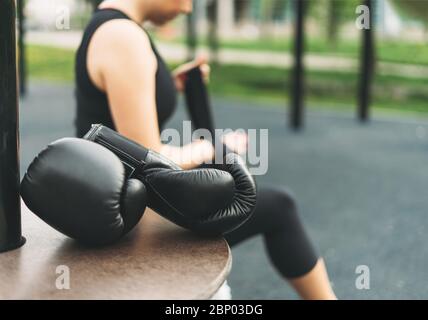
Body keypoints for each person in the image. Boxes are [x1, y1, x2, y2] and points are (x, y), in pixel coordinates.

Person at [75, 0, 337, 300]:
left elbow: (115, 120)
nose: (188, 8)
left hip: (116, 202)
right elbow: (151, 166)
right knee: (280, 207)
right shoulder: (123, 37)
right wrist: (212, 148)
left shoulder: (107, 25)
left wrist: (167, 86)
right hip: (129, 221)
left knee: (271, 204)